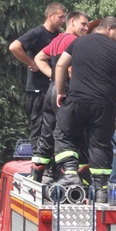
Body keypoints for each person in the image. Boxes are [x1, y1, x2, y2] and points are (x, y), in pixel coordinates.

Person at [53, 16, 116, 202]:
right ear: (108, 29)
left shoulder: (78, 42)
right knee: (100, 144)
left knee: (64, 134)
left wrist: (60, 91)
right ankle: (101, 190)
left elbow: (61, 65)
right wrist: (114, 97)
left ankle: (71, 172)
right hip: (103, 106)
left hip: (77, 100)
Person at [29, 11, 90, 183]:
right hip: (65, 91)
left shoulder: (58, 39)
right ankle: (77, 175)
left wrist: (54, 77)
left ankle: (37, 175)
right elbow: (70, 67)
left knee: (47, 133)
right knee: (71, 133)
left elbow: (39, 58)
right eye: (83, 24)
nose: (86, 28)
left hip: (51, 91)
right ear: (72, 22)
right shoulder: (74, 41)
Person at [8, 2, 67, 156]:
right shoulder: (37, 33)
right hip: (37, 90)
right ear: (50, 16)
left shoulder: (61, 37)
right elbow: (14, 47)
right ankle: (38, 164)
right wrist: (31, 62)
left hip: (54, 89)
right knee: (39, 127)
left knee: (55, 128)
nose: (63, 20)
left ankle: (53, 166)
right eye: (61, 17)